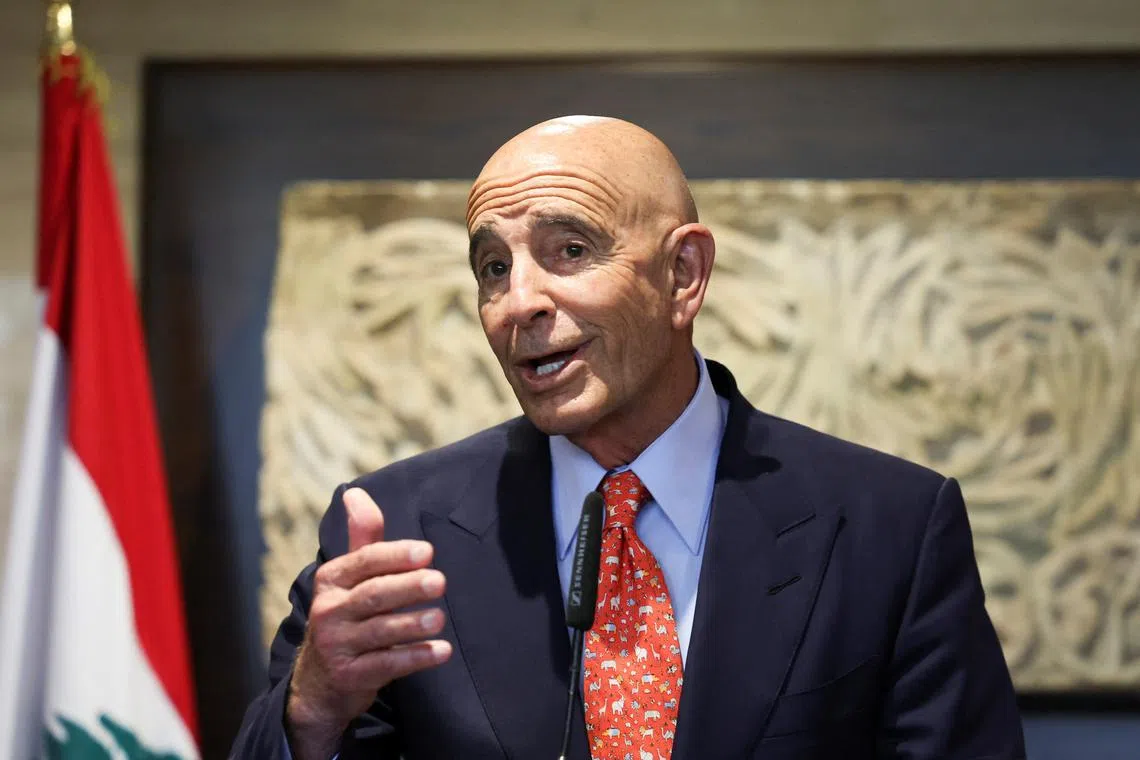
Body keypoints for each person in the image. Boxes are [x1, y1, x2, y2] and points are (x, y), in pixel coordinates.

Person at [231, 116, 1025, 760]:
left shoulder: (889, 526)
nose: (519, 303)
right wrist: (313, 713)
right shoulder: (395, 530)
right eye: (493, 268)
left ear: (683, 275)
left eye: (569, 251)